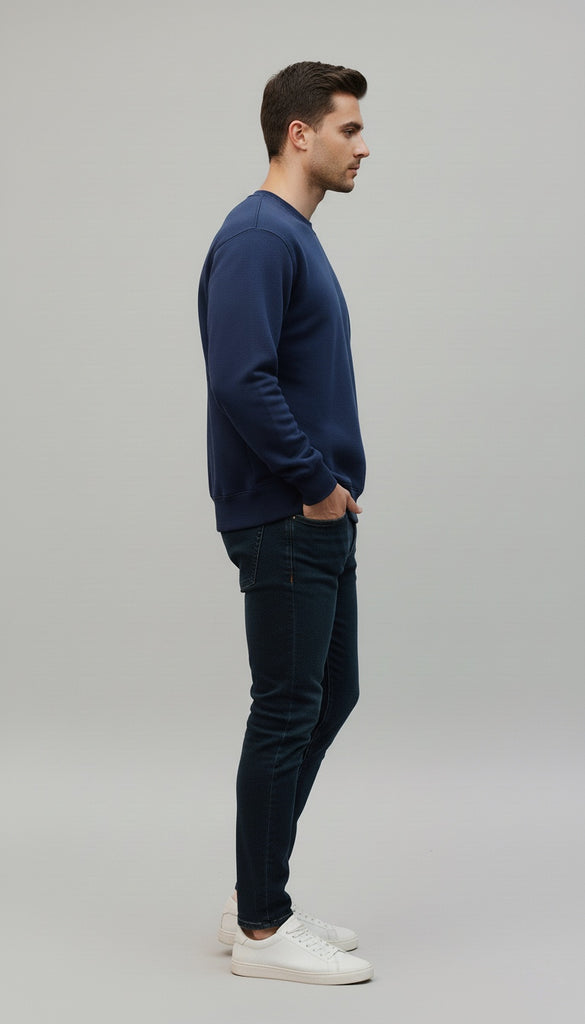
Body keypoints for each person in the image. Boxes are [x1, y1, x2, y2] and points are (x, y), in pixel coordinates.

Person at [198, 61, 373, 985]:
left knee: (328, 695)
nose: (363, 146)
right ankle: (263, 931)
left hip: (315, 512)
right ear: (298, 134)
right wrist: (314, 485)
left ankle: (252, 892)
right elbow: (241, 378)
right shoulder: (261, 236)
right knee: (286, 709)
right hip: (286, 514)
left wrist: (331, 492)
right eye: (348, 128)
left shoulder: (291, 237)